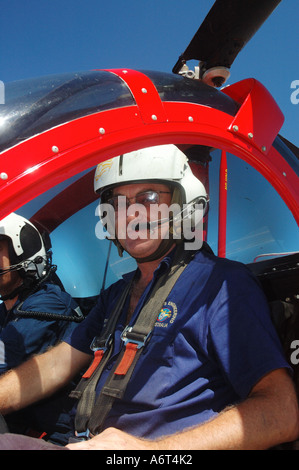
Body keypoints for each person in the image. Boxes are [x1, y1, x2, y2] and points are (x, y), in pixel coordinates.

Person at [0, 145, 297, 450]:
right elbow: (55, 366)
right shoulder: (115, 296)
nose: (131, 214)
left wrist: (148, 451)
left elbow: (282, 411)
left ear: (182, 204)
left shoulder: (221, 284)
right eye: (118, 202)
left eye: (148, 198)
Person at [0, 213, 83, 444]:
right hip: (25, 426)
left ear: (23, 252)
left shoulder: (49, 303)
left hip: (64, 435)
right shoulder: (6, 310)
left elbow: (5, 355)